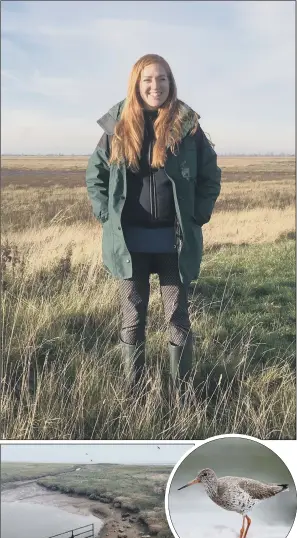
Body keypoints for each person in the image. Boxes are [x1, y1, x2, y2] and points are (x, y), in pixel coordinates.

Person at [86, 53, 221, 398]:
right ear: (136, 83)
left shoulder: (186, 126)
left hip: (173, 245)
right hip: (130, 245)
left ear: (170, 83)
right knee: (132, 318)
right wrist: (106, 215)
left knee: (177, 317)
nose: (155, 86)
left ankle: (182, 394)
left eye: (162, 79)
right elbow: (95, 176)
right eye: (148, 79)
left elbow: (210, 175)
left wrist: (198, 215)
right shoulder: (118, 126)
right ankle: (133, 393)